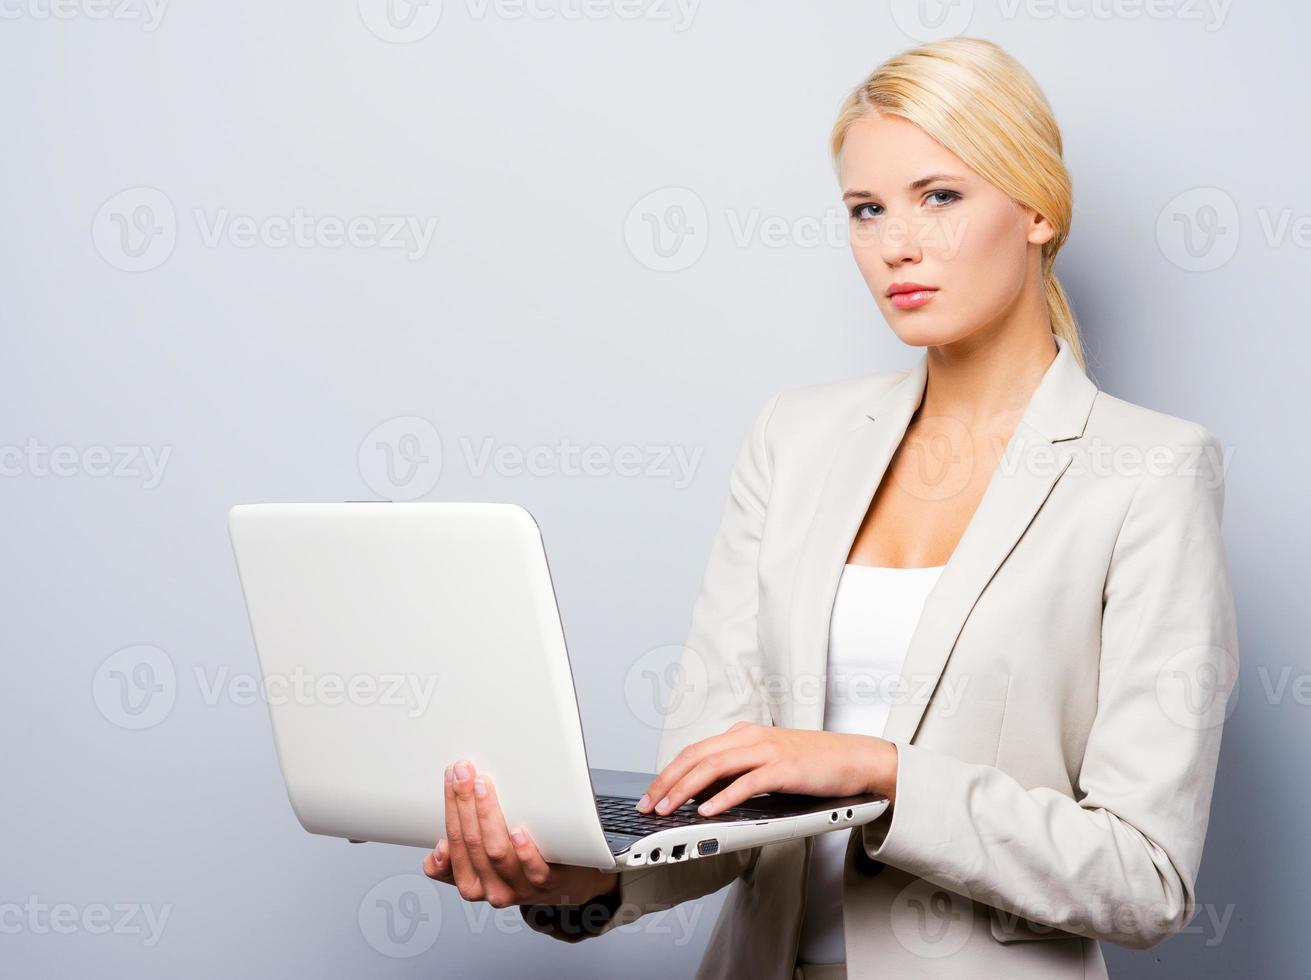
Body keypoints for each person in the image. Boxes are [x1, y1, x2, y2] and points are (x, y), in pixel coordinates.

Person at [422, 36, 1239, 980]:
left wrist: (882, 773)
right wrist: (576, 883)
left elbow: (1144, 878)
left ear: (1037, 209)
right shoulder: (795, 439)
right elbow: (711, 802)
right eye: (865, 209)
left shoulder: (1148, 471)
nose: (897, 243)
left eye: (940, 196)